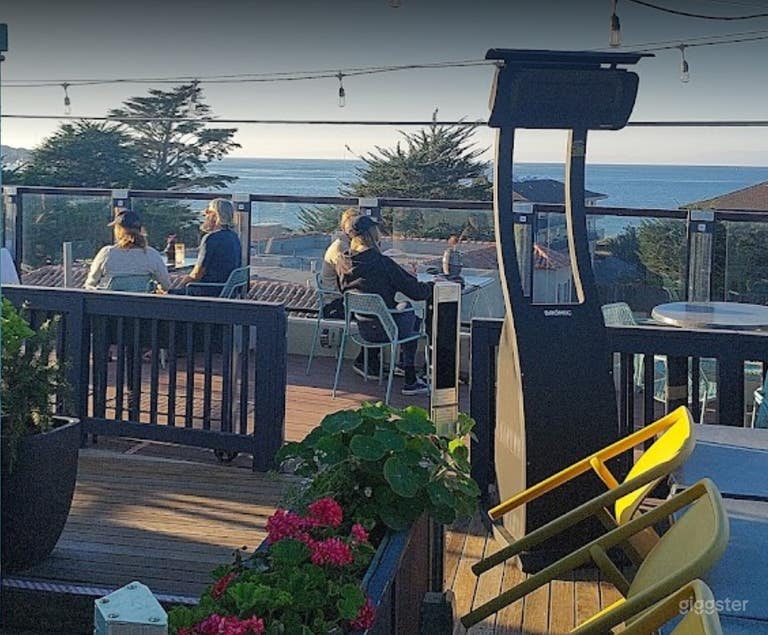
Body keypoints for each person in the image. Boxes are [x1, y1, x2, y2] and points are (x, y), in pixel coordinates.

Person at [337, 215, 431, 396]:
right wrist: (431, 285)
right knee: (409, 311)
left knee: (407, 317)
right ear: (373, 234)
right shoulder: (383, 263)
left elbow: (344, 289)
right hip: (386, 329)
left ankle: (392, 365)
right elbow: (418, 293)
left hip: (362, 327)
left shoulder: (343, 261)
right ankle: (410, 379)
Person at [85, 209, 171, 291]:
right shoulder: (152, 255)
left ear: (117, 230)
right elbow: (166, 285)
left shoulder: (107, 253)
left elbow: (90, 284)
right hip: (140, 305)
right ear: (140, 230)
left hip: (110, 305)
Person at [177, 198, 242, 296]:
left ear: (216, 216)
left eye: (208, 211)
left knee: (165, 294)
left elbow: (197, 274)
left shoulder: (211, 238)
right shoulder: (234, 237)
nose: (205, 213)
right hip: (225, 290)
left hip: (208, 290)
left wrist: (178, 287)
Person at [320, 207, 358, 318]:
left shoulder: (348, 244)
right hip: (336, 301)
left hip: (342, 297)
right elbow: (351, 274)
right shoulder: (341, 247)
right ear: (345, 227)